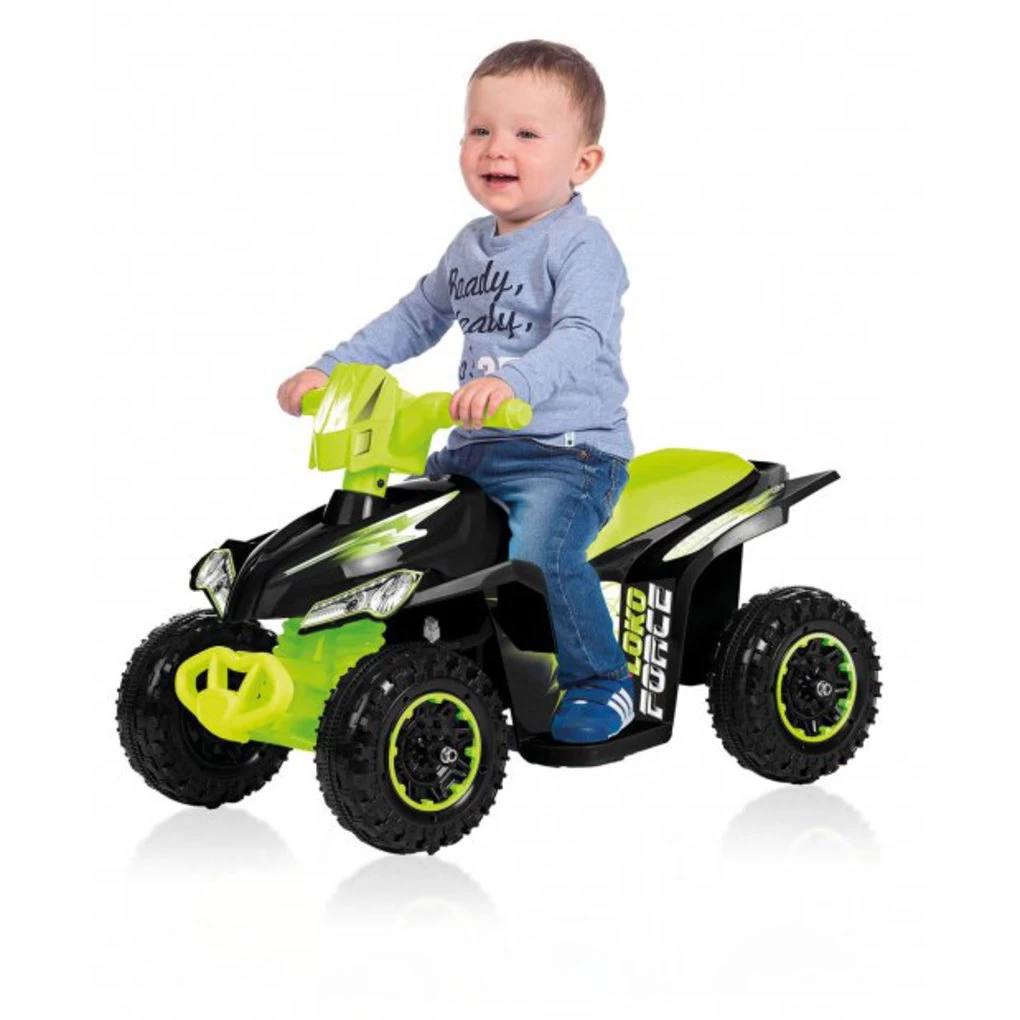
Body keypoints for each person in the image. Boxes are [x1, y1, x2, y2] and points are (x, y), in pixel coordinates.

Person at [277, 40, 634, 743]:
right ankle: (392, 660)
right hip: (473, 451)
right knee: (396, 536)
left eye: (526, 134)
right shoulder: (470, 246)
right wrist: (332, 369)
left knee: (543, 553)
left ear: (583, 162)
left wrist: (511, 381)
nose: (497, 148)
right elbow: (415, 318)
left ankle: (602, 681)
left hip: (565, 455)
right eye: (480, 129)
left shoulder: (582, 246)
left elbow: (582, 335)